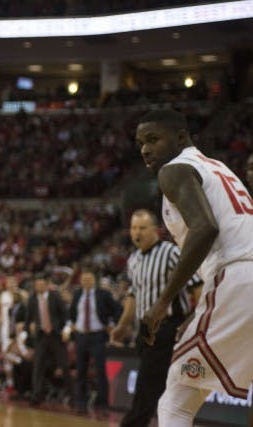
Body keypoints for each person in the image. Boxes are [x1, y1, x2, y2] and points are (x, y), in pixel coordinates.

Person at [135, 109, 253, 427]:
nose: (145, 149)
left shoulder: (174, 170)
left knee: (176, 401)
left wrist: (161, 304)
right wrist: (198, 311)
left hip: (238, 280)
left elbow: (205, 229)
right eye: (141, 142)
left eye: (153, 139)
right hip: (240, 280)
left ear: (181, 137)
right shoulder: (218, 168)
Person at [110, 208, 201, 427]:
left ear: (156, 230)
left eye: (142, 227)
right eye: (133, 228)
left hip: (167, 328)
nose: (136, 232)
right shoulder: (133, 259)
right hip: (144, 331)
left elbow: (197, 287)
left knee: (146, 386)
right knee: (157, 387)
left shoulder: (171, 252)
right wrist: (122, 326)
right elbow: (133, 296)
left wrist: (193, 322)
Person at [65, 269, 119, 414]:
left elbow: (117, 309)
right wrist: (70, 324)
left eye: (89, 279)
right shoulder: (77, 295)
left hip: (98, 336)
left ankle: (103, 404)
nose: (86, 282)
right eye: (83, 279)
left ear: (94, 280)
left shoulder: (103, 294)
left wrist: (112, 325)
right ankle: (81, 402)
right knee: (81, 371)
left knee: (101, 371)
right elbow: (70, 314)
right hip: (81, 336)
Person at [26, 274, 69, 406]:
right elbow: (28, 319)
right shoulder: (32, 299)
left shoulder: (55, 296)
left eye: (41, 284)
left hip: (56, 335)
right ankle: (37, 395)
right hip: (41, 336)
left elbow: (65, 314)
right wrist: (30, 326)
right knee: (38, 366)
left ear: (46, 284)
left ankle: (72, 395)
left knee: (64, 364)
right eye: (36, 285)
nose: (39, 287)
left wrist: (66, 329)